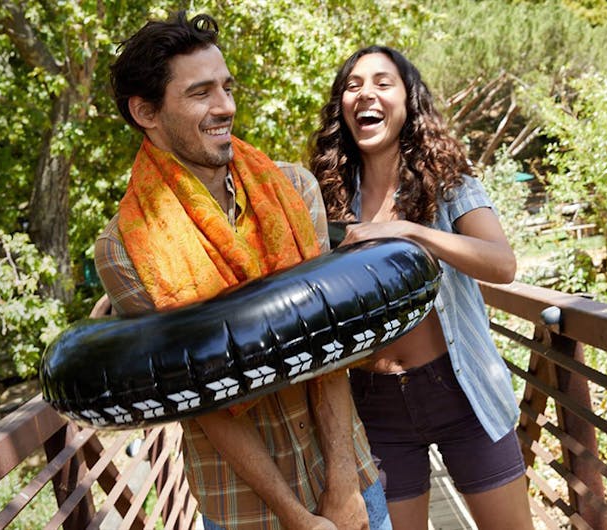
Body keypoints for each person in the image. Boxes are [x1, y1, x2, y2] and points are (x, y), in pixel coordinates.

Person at [94, 12, 391, 530]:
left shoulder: (295, 189)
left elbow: (332, 340)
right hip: (242, 510)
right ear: (146, 111)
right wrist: (293, 515)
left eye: (228, 87)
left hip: (350, 481)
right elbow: (197, 395)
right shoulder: (124, 248)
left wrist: (343, 485)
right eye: (201, 93)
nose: (225, 107)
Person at [309, 46, 534, 530]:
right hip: (374, 403)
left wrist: (411, 231)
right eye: (353, 85)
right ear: (341, 108)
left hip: (461, 390)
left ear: (409, 102)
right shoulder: (325, 197)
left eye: (382, 83)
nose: (366, 92)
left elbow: (502, 263)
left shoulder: (448, 182)